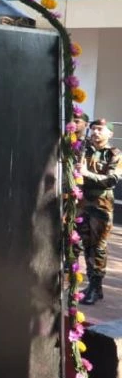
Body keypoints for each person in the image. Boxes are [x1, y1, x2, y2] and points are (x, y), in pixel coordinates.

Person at [78, 118, 122, 306]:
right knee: (87, 244)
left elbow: (112, 180)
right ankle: (93, 286)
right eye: (93, 129)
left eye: (100, 129)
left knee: (99, 246)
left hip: (101, 205)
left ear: (110, 133)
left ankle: (95, 287)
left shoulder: (115, 154)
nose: (95, 132)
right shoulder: (84, 149)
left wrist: (87, 174)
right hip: (83, 203)